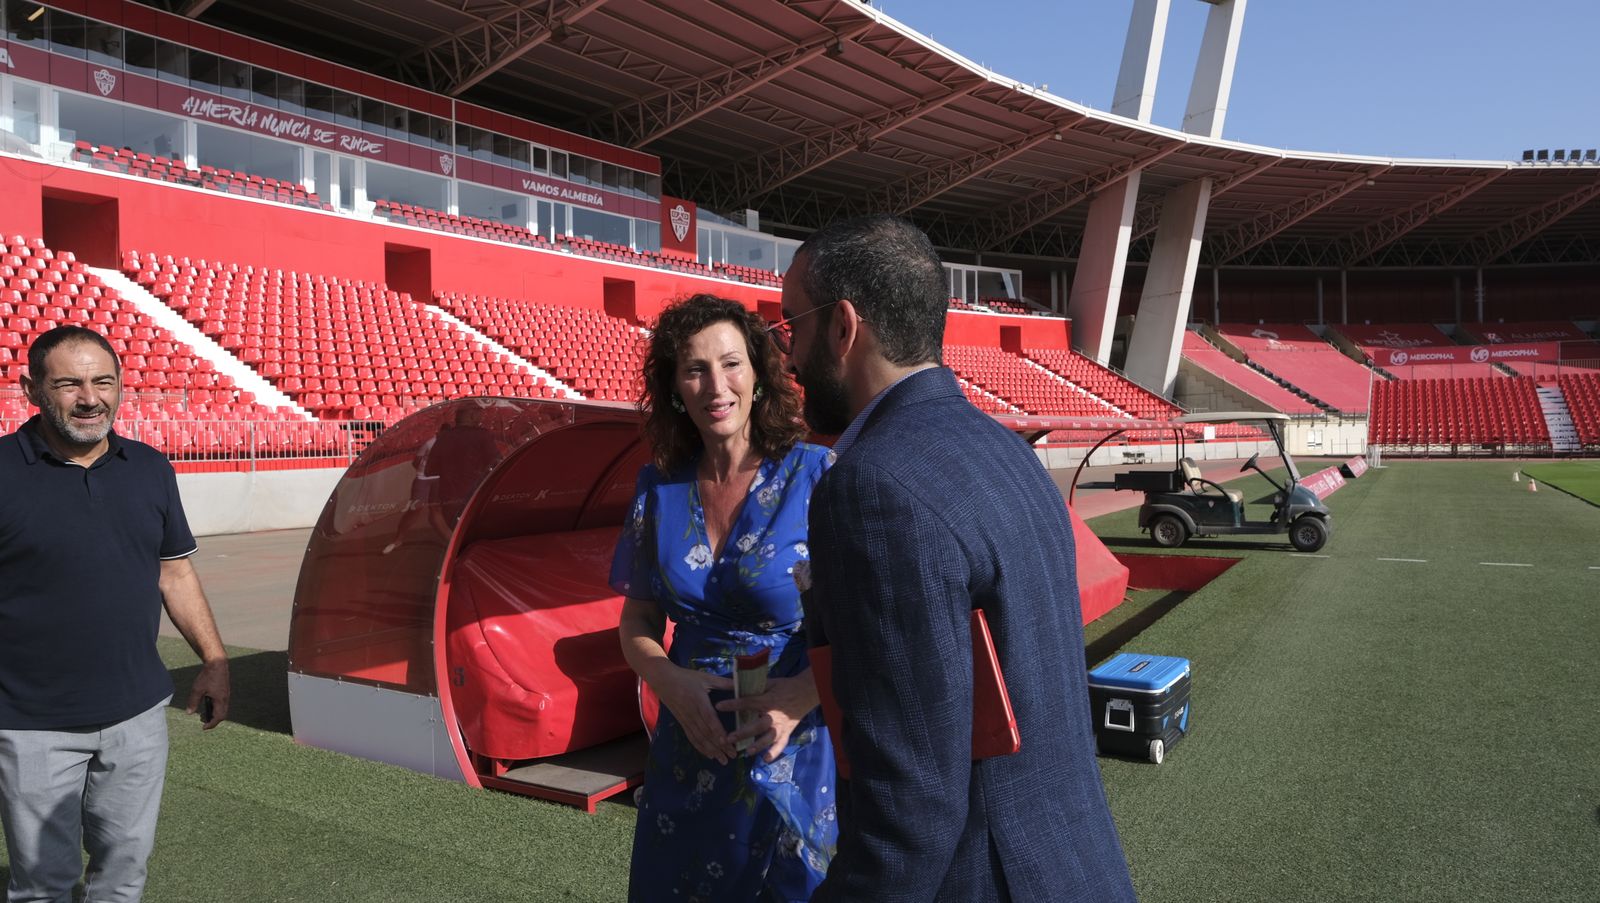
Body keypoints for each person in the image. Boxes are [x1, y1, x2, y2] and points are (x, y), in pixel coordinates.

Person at [781, 215, 1137, 902]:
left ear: (843, 327)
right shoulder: (1008, 450)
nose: (789, 357)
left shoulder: (870, 486)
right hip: (1073, 866)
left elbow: (908, 806)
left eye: (792, 323)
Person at [610, 293, 837, 902]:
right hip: (690, 742)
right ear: (675, 388)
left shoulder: (815, 474)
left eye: (731, 363)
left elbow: (871, 620)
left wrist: (802, 697)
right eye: (695, 369)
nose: (717, 384)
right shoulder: (658, 488)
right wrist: (669, 683)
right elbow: (637, 623)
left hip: (792, 740)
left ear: (759, 375)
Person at [0, 325, 230, 902]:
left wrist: (214, 657)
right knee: (43, 886)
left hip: (136, 718)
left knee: (123, 876)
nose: (89, 397)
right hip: (30, 722)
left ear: (122, 386)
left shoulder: (151, 469)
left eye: (103, 381)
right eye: (68, 383)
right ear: (31, 389)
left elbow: (173, 571)